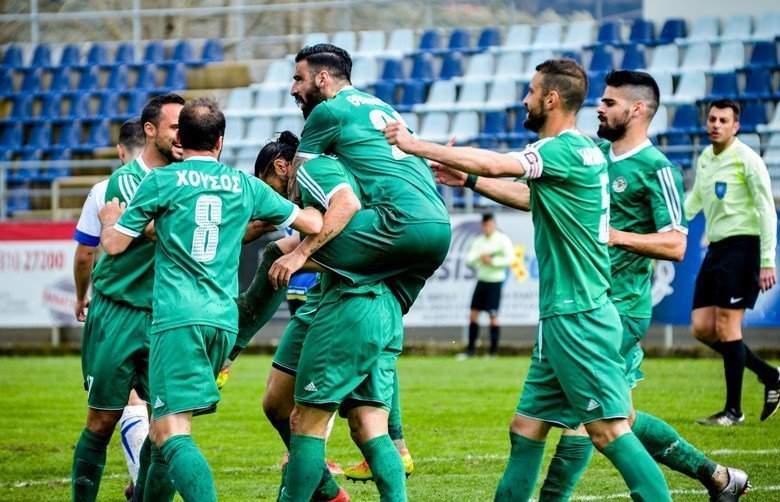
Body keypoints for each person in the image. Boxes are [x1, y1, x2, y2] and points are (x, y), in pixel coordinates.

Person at [384, 58, 671, 501]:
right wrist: (469, 179)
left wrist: (416, 145)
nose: (524, 98)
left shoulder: (561, 150)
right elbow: (525, 193)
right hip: (562, 316)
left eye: (532, 91)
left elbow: (501, 165)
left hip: (580, 316)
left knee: (609, 431)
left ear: (551, 99)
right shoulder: (582, 151)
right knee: (526, 428)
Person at [232, 43, 451, 484]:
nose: (293, 89)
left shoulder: (324, 123)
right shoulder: (377, 109)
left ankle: (227, 349)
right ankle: (395, 444)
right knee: (371, 329)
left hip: (389, 231)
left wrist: (301, 252)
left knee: (282, 254)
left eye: (298, 78)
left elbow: (324, 205)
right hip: (429, 226)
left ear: (322, 79)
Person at [536, 71, 748, 501]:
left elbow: (676, 244)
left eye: (609, 102)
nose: (599, 107)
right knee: (622, 417)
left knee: (586, 416)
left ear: (636, 109)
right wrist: (471, 179)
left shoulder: (658, 169)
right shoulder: (594, 155)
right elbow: (537, 197)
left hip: (621, 307)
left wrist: (615, 235)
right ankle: (719, 477)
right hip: (587, 304)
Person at [98, 97, 322, 502]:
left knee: (171, 431)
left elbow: (114, 246)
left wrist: (110, 221)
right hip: (222, 322)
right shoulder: (245, 185)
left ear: (180, 139)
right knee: (162, 428)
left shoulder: (161, 181)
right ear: (220, 141)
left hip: (178, 319)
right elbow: (313, 222)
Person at [70, 94, 185, 502]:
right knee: (101, 421)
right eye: (175, 126)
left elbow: (86, 254)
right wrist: (83, 296)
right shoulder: (108, 189)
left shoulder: (190, 183)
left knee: (168, 428)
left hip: (167, 317)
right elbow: (85, 255)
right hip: (117, 314)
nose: (183, 135)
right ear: (150, 130)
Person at [686, 98, 780, 426]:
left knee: (727, 326)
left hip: (744, 247)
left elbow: (767, 210)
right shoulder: (705, 158)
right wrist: (670, 225)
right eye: (712, 119)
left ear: (735, 127)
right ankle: (770, 375)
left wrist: (767, 261)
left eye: (723, 121)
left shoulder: (748, 159)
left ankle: (733, 411)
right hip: (716, 248)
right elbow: (695, 199)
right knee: (702, 328)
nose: (716, 125)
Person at [73, 117, 149, 501]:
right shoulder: (174, 185)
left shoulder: (105, 189)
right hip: (165, 308)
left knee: (109, 412)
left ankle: (141, 483)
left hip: (117, 310)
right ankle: (144, 482)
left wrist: (80, 295)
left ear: (120, 151)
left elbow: (85, 254)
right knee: (164, 413)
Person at [459, 213, 514, 358]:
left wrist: (493, 261)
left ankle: (493, 352)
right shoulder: (479, 241)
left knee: (493, 316)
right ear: (482, 226)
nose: (487, 228)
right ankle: (470, 351)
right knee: (473, 315)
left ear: (494, 225)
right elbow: (469, 259)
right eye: (485, 225)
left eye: (489, 225)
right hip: (481, 281)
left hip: (495, 282)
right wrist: (481, 258)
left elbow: (510, 259)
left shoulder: (502, 239)